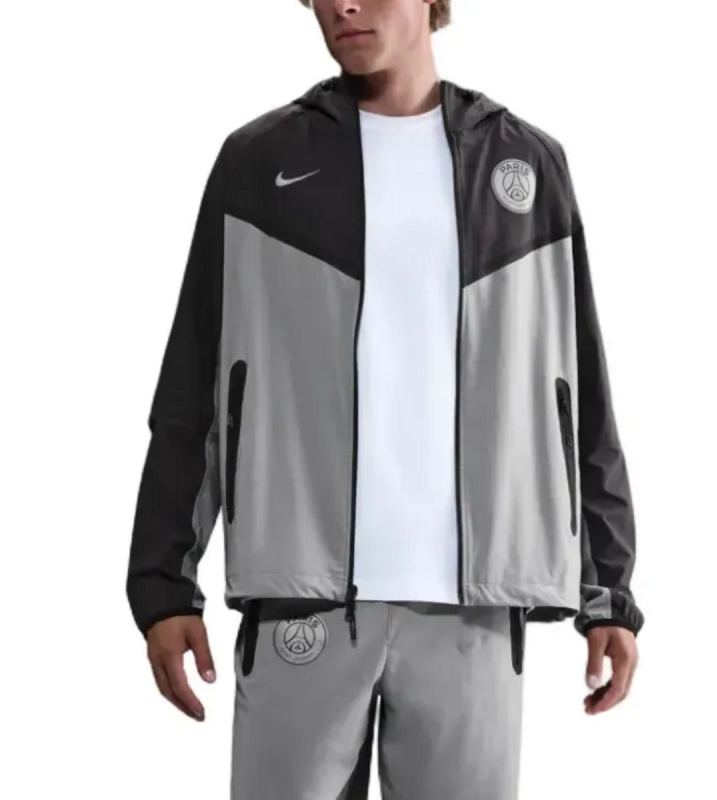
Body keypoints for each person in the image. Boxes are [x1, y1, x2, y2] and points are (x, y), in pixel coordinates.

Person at [126, 1, 645, 797]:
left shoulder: (526, 166)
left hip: (474, 610)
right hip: (300, 594)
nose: (343, 5)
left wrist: (607, 591)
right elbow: (194, 383)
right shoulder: (259, 162)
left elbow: (578, 391)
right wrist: (163, 582)